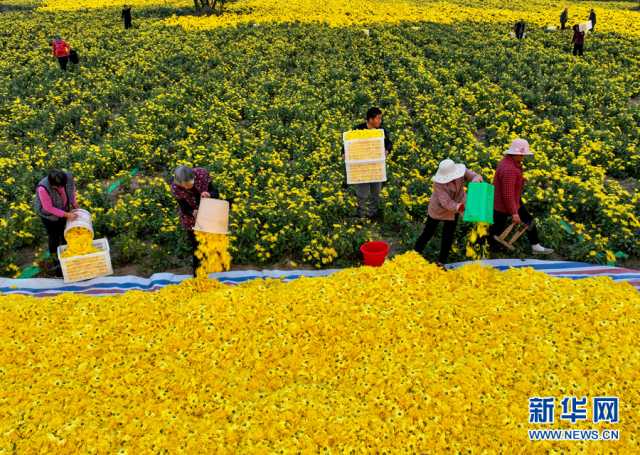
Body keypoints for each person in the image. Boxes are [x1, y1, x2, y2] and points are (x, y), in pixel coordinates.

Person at [488, 139, 554, 255]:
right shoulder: (510, 169)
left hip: (511, 200)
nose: (523, 157)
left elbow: (508, 185)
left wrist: (521, 180)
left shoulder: (508, 162)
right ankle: (490, 254)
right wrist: (514, 213)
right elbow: (507, 194)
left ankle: (535, 246)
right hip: (505, 203)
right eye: (522, 154)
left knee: (527, 220)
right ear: (516, 154)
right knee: (496, 230)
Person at [414, 159, 483, 268]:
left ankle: (441, 261)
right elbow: (446, 202)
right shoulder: (438, 184)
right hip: (439, 209)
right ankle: (414, 254)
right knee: (428, 232)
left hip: (456, 207)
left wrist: (476, 180)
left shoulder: (462, 171)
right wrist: (461, 207)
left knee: (448, 235)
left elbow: (474, 176)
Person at [170, 166, 220, 276]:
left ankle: (213, 268)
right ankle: (198, 276)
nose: (188, 188)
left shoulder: (202, 175)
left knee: (211, 242)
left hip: (209, 214)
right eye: (184, 186)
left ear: (194, 177)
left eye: (190, 184)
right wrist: (193, 212)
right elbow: (183, 207)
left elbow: (216, 192)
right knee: (197, 246)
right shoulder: (175, 187)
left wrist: (210, 194)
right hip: (191, 219)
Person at [33, 170, 79, 276]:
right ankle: (56, 262)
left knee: (65, 233)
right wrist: (67, 215)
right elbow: (48, 208)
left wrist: (74, 203)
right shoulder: (43, 188)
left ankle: (68, 256)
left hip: (62, 209)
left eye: (62, 186)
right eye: (58, 187)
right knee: (54, 236)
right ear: (52, 184)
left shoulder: (67, 177)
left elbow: (70, 191)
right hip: (48, 215)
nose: (61, 189)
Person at [350, 107, 393, 220]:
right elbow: (348, 144)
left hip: (376, 166)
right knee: (362, 191)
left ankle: (373, 213)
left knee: (376, 190)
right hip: (361, 166)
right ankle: (361, 214)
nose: (380, 121)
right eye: (378, 118)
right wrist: (344, 153)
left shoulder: (381, 131)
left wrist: (387, 150)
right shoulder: (358, 129)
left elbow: (389, 143)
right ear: (370, 119)